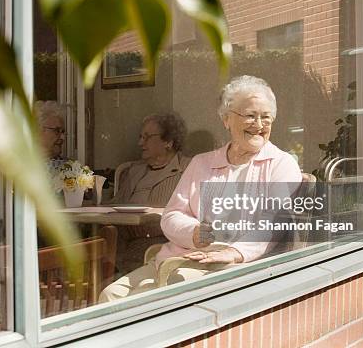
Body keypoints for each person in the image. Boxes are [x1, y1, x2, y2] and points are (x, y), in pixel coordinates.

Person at [99, 75, 302, 302]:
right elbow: (172, 215)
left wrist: (235, 252)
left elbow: (273, 221)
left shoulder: (282, 165)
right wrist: (195, 233)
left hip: (234, 266)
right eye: (250, 116)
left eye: (266, 117)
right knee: (109, 295)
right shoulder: (202, 163)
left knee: (146, 300)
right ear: (226, 119)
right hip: (180, 256)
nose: (259, 125)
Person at [111, 113, 191, 273]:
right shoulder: (133, 171)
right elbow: (113, 209)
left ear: (168, 142)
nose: (140, 143)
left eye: (147, 137)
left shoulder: (187, 169)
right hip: (124, 241)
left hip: (160, 244)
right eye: (141, 137)